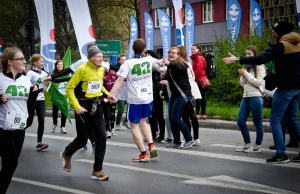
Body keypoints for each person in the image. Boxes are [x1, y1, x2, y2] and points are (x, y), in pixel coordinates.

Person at [222, 21, 300, 163]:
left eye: (274, 31)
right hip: (297, 87)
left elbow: (260, 59)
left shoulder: (281, 45)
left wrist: (238, 59)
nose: (272, 33)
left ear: (281, 32)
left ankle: (281, 154)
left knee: (275, 120)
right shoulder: (297, 44)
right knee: (292, 118)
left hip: (286, 88)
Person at [60, 47, 109, 180]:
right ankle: (67, 154)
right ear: (91, 58)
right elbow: (69, 88)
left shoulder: (101, 69)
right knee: (82, 138)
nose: (101, 59)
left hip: (97, 104)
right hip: (83, 105)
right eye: (98, 56)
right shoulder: (82, 69)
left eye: (102, 56)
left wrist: (108, 95)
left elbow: (100, 85)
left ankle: (97, 170)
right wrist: (76, 107)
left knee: (101, 137)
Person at [108, 39, 160, 162]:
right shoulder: (149, 60)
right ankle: (151, 145)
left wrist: (111, 94)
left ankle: (143, 153)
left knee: (134, 125)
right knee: (144, 121)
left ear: (133, 49)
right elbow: (160, 62)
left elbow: (120, 80)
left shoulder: (128, 63)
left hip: (135, 99)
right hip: (148, 97)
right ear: (144, 49)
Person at [0, 47, 38, 193]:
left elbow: (27, 104)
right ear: (10, 62)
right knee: (11, 162)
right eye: (21, 59)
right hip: (3, 130)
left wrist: (34, 94)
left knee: (10, 165)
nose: (24, 61)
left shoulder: (26, 80)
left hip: (19, 129)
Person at [231, 46, 266, 153]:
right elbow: (242, 84)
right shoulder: (247, 66)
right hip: (245, 96)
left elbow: (258, 82)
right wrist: (243, 74)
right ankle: (247, 144)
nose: (247, 56)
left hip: (256, 96)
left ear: (255, 54)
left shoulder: (260, 66)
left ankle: (258, 145)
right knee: (240, 121)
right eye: (246, 54)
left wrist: (245, 74)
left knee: (257, 122)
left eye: (249, 54)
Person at [161, 46, 196, 149]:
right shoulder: (172, 66)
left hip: (183, 94)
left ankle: (189, 139)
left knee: (176, 117)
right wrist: (164, 76)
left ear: (179, 55)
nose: (171, 54)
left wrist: (168, 63)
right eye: (170, 52)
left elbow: (177, 67)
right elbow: (171, 75)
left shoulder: (182, 64)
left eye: (174, 53)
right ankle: (176, 141)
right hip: (175, 95)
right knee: (172, 118)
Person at [26, 54, 49, 151]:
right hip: (32, 100)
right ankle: (15, 133)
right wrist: (33, 88)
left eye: (43, 62)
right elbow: (26, 86)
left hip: (41, 100)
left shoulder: (44, 73)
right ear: (35, 62)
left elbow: (48, 81)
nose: (43, 63)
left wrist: (48, 81)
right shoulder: (30, 73)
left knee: (42, 121)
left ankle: (39, 143)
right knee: (29, 121)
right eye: (41, 62)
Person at [144, 50, 166, 142]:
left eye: (146, 56)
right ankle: (153, 133)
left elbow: (161, 73)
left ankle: (161, 135)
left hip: (156, 92)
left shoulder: (156, 65)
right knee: (150, 114)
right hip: (148, 92)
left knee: (159, 114)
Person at [190, 44, 207, 120]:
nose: (192, 50)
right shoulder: (195, 58)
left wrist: (193, 77)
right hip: (201, 79)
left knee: (199, 96)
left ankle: (198, 113)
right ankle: (202, 113)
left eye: (193, 49)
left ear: (198, 50)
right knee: (201, 96)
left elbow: (198, 69)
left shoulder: (198, 58)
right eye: (191, 49)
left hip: (199, 79)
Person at [114, 54, 130, 130]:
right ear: (119, 61)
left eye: (125, 60)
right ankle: (117, 124)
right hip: (119, 91)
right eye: (122, 60)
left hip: (127, 90)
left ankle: (126, 121)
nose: (124, 61)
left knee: (129, 107)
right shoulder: (117, 68)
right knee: (121, 109)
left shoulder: (128, 67)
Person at [51, 60, 67, 134]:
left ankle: (63, 126)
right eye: (58, 64)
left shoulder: (66, 74)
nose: (60, 65)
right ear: (56, 66)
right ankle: (54, 124)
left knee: (64, 111)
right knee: (55, 112)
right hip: (56, 96)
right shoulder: (53, 74)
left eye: (61, 64)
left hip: (63, 97)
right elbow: (49, 84)